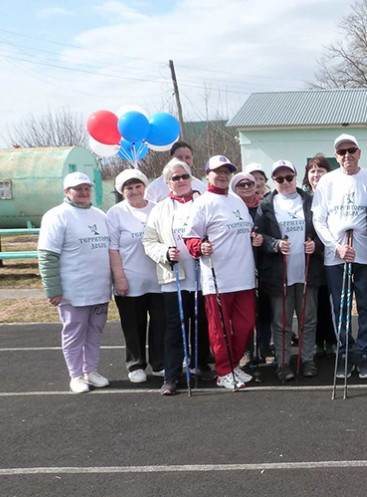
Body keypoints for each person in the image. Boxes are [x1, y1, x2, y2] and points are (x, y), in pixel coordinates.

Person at [183, 155, 264, 390]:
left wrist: (255, 237)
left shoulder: (237, 200)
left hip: (244, 276)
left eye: (227, 171)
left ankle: (234, 364)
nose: (222, 175)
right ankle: (223, 371)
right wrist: (200, 247)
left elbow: (246, 230)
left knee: (246, 325)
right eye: (217, 171)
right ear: (207, 174)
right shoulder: (202, 203)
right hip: (218, 278)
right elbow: (190, 237)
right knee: (220, 330)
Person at [143, 158, 217, 395]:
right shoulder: (160, 209)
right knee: (175, 327)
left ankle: (200, 364)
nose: (182, 180)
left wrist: (206, 245)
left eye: (185, 176)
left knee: (202, 324)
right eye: (176, 178)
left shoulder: (204, 203)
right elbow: (149, 241)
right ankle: (172, 375)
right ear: (168, 182)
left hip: (202, 276)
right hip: (174, 278)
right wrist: (165, 253)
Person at [312, 134, 367, 380]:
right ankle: (345, 353)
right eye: (342, 152)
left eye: (351, 150)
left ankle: (364, 354)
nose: (347, 155)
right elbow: (318, 220)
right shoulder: (327, 181)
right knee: (340, 308)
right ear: (336, 156)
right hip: (337, 256)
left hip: (366, 254)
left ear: (359, 152)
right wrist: (335, 247)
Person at [38, 172, 112, 393]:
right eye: (78, 189)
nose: (83, 192)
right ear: (67, 192)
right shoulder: (57, 216)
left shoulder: (100, 215)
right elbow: (47, 256)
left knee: (95, 332)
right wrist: (52, 289)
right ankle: (76, 375)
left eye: (87, 188)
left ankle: (91, 371)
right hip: (74, 291)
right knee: (74, 333)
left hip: (99, 289)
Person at [257, 160, 324, 380]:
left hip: (307, 271)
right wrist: (275, 244)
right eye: (279, 178)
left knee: (308, 320)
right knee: (281, 322)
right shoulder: (266, 205)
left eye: (289, 177)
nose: (285, 182)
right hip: (279, 274)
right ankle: (283, 363)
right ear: (273, 180)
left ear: (296, 177)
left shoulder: (311, 201)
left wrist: (316, 245)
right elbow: (259, 236)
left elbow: (324, 230)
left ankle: (307, 359)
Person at [106, 169, 166, 385]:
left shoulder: (158, 208)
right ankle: (136, 364)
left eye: (137, 186)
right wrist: (119, 278)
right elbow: (113, 249)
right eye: (128, 188)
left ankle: (160, 363)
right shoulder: (115, 213)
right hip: (130, 280)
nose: (134, 191)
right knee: (133, 326)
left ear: (144, 187)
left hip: (159, 280)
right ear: (122, 191)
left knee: (160, 324)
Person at [232, 171, 273, 366]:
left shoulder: (264, 206)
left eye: (250, 183)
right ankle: (246, 351)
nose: (247, 187)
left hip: (264, 263)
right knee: (245, 313)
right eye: (242, 185)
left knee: (264, 310)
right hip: (239, 265)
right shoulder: (232, 207)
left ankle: (264, 347)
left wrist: (261, 239)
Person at [303, 154, 337, 358]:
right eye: (312, 171)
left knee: (329, 302)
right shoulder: (303, 199)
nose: (316, 175)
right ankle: (316, 341)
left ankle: (332, 339)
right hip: (310, 259)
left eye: (320, 170)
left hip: (332, 255)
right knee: (313, 303)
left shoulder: (334, 194)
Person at [144, 141, 208, 202]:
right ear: (170, 157)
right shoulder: (154, 189)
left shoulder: (202, 187)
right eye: (179, 157)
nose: (183, 161)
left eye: (187, 157)